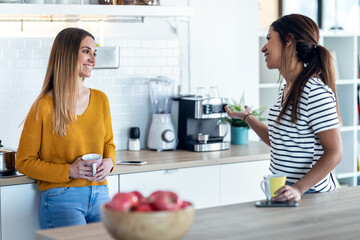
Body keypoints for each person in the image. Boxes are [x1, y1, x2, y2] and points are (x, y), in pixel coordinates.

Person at [225, 14, 342, 202]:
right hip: (290, 193)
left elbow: (334, 152)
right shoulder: (288, 89)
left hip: (312, 196)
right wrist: (249, 118)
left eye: (269, 39)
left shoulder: (314, 92)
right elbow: (281, 141)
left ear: (289, 41)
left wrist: (298, 189)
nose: (263, 48)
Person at [16, 27, 116, 229]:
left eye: (94, 53)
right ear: (68, 53)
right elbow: (24, 162)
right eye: (86, 51)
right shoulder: (43, 106)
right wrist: (69, 170)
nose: (93, 60)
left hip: (101, 194)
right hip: (61, 197)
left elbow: (109, 144)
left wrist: (109, 162)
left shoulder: (101, 100)